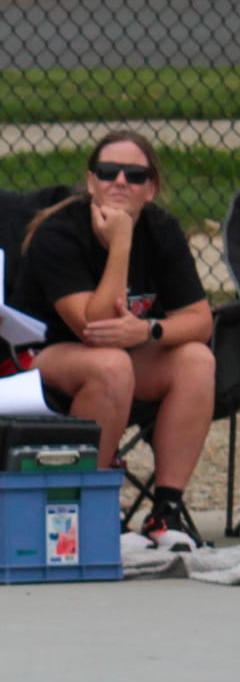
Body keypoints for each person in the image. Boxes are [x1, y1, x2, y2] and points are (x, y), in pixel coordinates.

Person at [14, 130, 215, 544]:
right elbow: (94, 328)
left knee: (197, 360)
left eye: (135, 175)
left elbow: (200, 320)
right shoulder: (60, 232)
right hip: (43, 361)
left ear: (151, 188)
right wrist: (120, 245)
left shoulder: (162, 229)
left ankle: (166, 512)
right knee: (111, 364)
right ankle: (90, 507)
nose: (120, 182)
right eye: (108, 172)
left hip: (122, 355)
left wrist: (149, 329)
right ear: (91, 182)